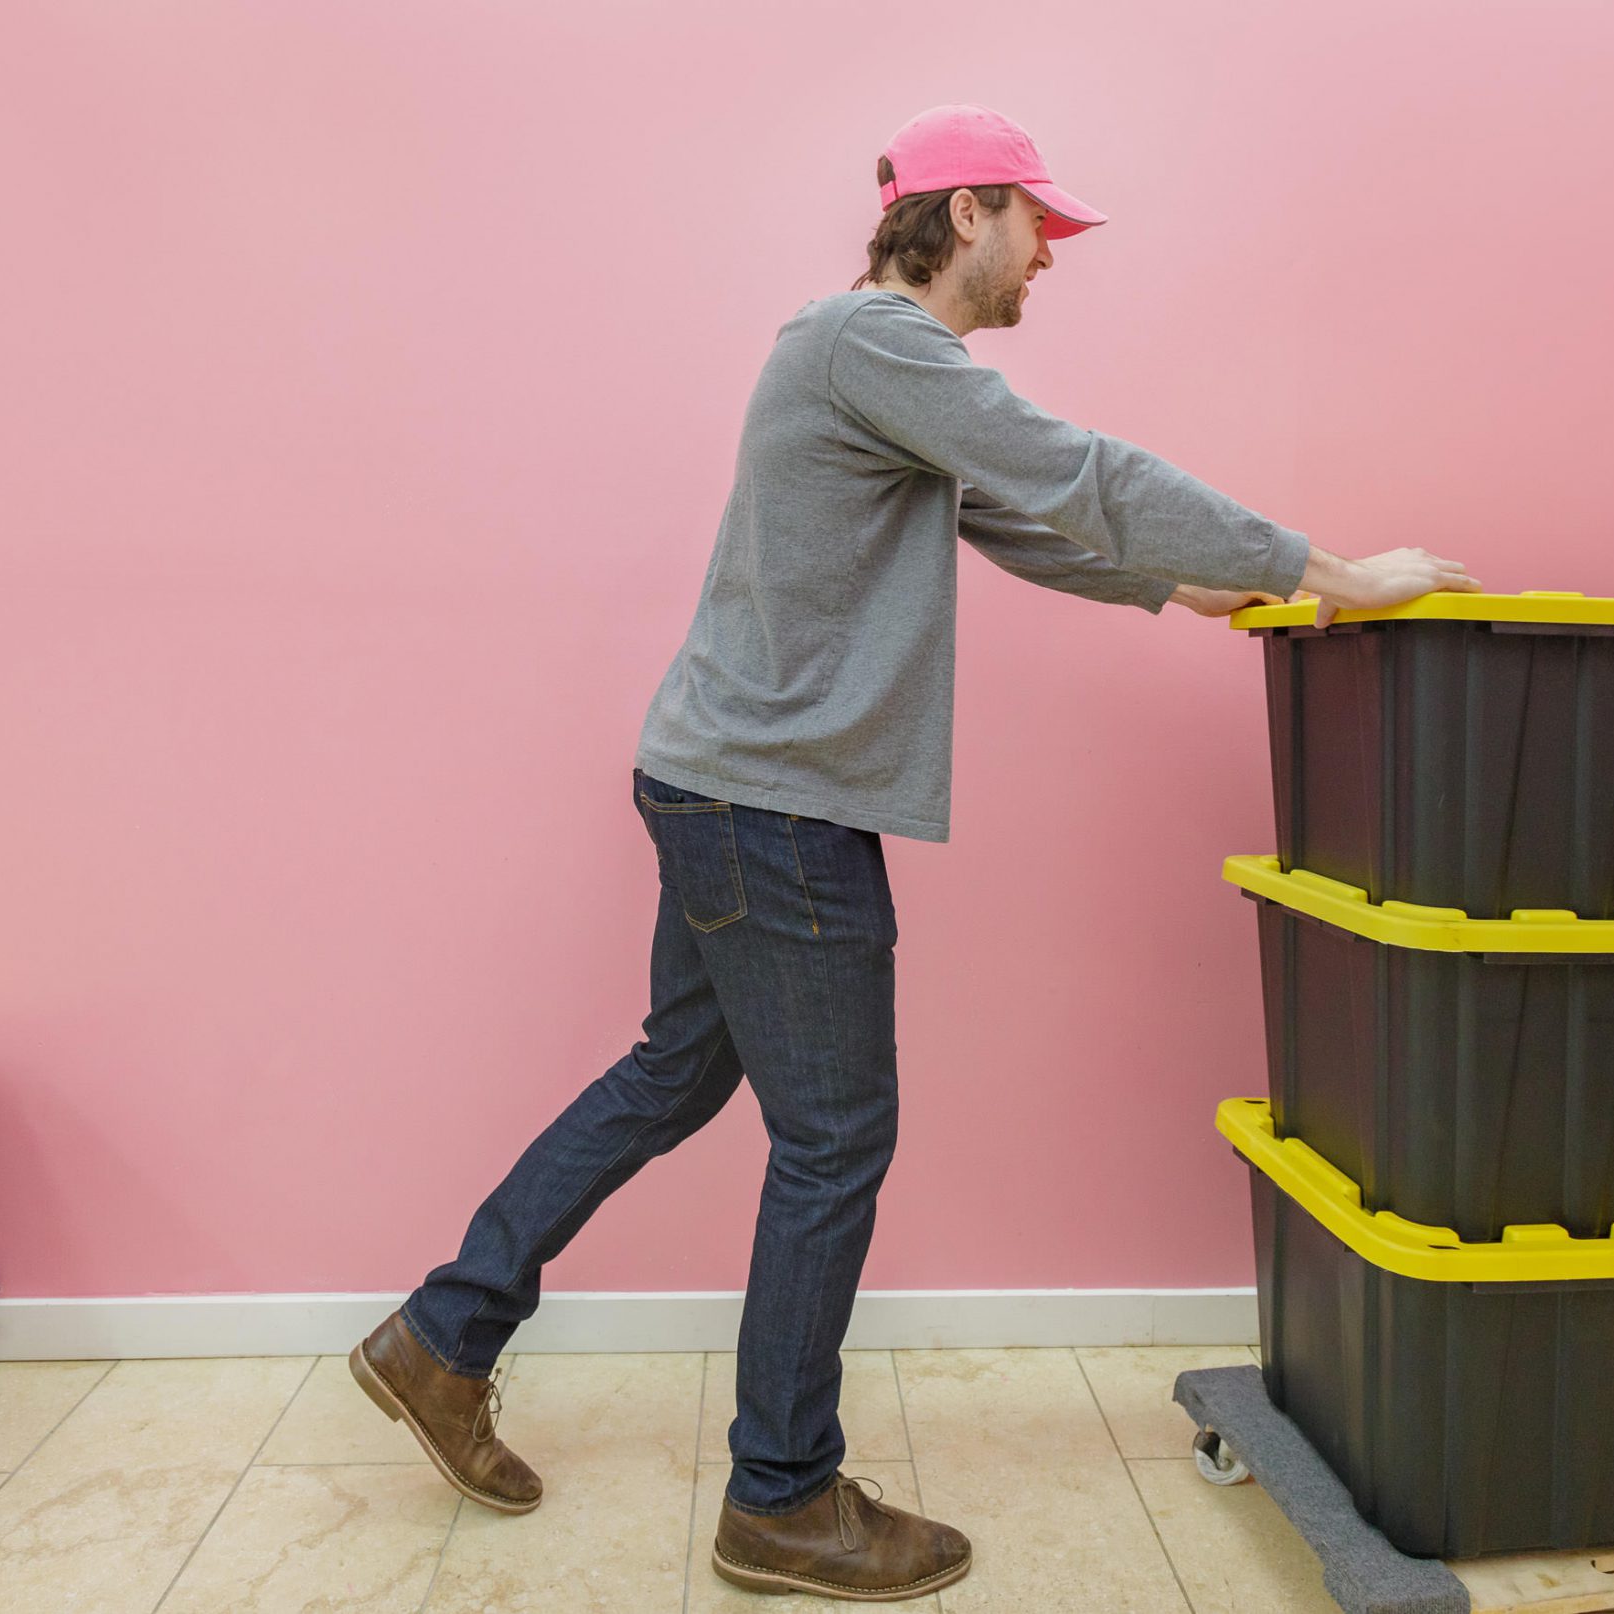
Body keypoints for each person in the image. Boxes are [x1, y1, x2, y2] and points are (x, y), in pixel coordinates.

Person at [348, 103, 1478, 1602]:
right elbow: (1078, 469)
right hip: (774, 805)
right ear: (964, 215)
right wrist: (1331, 569)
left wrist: (1185, 589)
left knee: (676, 1073)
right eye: (1038, 226)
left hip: (723, 781)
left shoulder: (870, 369)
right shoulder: (871, 343)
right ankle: (780, 1496)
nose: (1048, 258)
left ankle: (443, 1335)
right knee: (834, 1138)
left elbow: (1021, 518)